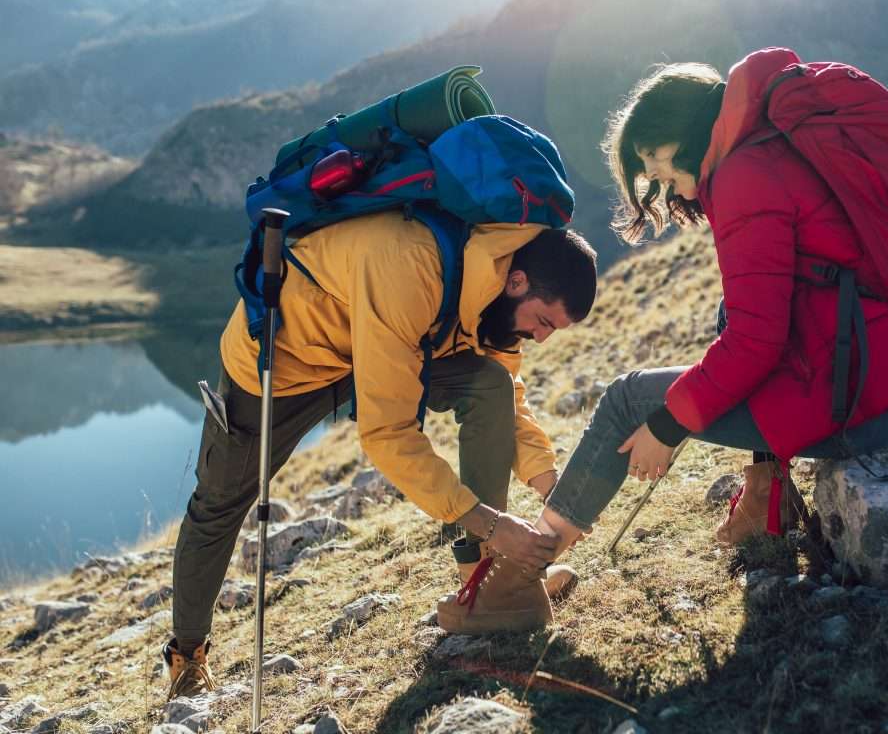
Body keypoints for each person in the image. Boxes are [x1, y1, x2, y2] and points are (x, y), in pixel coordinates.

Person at [437, 47, 888, 634]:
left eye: (653, 158)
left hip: (856, 403)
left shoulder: (743, 175)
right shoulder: (770, 145)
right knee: (725, 313)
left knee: (627, 400)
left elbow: (756, 343)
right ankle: (766, 496)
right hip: (884, 380)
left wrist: (667, 424)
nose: (656, 178)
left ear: (683, 133)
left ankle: (513, 585)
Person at [164, 212, 598, 698]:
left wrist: (549, 484)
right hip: (286, 360)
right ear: (517, 281)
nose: (541, 337)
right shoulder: (410, 266)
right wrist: (490, 522)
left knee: (489, 385)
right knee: (220, 503)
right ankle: (188, 655)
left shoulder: (490, 291)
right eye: (543, 321)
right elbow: (387, 433)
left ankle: (485, 587)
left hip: (376, 344)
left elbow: (507, 390)